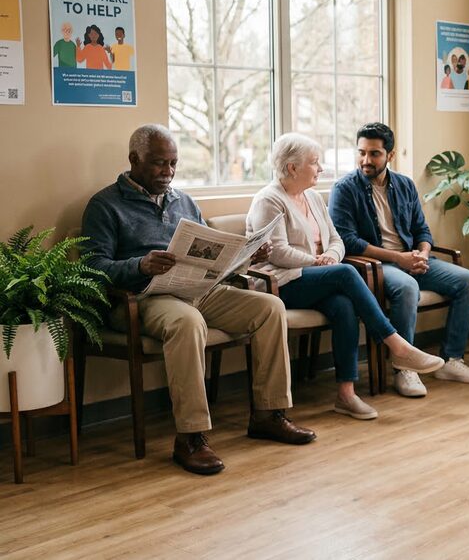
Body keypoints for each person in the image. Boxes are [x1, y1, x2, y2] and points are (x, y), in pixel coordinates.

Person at [81, 125, 316, 475]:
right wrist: (140, 264)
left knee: (270, 307)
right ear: (134, 159)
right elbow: (92, 267)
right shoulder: (105, 205)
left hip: (197, 290)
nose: (168, 172)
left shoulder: (183, 200)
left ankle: (268, 414)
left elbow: (212, 251)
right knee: (187, 322)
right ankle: (190, 437)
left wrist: (248, 255)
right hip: (145, 296)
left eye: (174, 164)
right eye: (160, 164)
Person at [248, 133, 446, 419]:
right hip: (282, 283)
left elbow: (337, 239)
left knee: (344, 306)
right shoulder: (268, 200)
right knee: (344, 273)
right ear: (292, 168)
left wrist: (330, 256)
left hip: (314, 277)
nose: (320, 169)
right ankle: (397, 344)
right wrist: (319, 261)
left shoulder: (313, 197)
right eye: (315, 163)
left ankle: (346, 395)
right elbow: (277, 253)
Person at [329, 122, 469, 398]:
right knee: (407, 287)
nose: (366, 160)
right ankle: (405, 369)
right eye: (361, 152)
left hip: (410, 259)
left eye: (374, 153)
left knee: (468, 281)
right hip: (377, 265)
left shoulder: (404, 184)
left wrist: (422, 254)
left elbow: (422, 230)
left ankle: (451, 360)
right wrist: (398, 259)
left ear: (389, 155)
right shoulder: (345, 189)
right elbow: (347, 240)